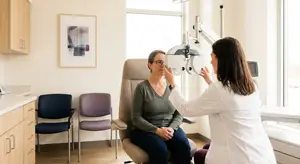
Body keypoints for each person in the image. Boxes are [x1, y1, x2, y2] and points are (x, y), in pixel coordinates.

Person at [164, 37, 277, 164]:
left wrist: (172, 84)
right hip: (261, 153)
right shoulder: (251, 85)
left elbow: (186, 109)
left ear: (221, 59)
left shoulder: (219, 89)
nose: (211, 61)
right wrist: (210, 82)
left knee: (201, 153)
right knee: (206, 147)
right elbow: (229, 99)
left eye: (212, 56)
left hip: (237, 157)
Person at [130, 50, 191, 164]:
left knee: (183, 146)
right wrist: (157, 130)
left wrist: (172, 128)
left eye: (165, 62)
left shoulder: (172, 87)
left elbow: (179, 113)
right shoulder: (141, 88)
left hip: (169, 128)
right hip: (146, 130)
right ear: (150, 65)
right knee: (160, 150)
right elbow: (136, 118)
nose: (163, 65)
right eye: (159, 62)